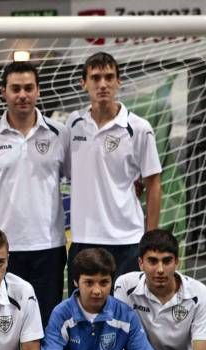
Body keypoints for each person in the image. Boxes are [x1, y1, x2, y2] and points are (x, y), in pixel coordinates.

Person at [0, 62, 67, 326]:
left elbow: (84, 179)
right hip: (1, 250)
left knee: (44, 325)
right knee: (1, 324)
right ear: (3, 92)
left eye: (28, 88)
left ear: (38, 91)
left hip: (48, 246)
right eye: (15, 88)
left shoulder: (60, 134)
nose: (22, 95)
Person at [65, 52, 162, 290]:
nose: (103, 84)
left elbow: (153, 183)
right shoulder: (72, 124)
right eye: (96, 78)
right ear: (83, 83)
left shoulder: (139, 128)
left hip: (127, 239)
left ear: (119, 81)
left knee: (126, 316)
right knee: (82, 316)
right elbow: (67, 173)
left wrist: (151, 239)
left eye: (109, 77)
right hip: (83, 240)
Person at [41, 248, 158, 350]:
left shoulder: (125, 314)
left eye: (104, 283)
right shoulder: (61, 313)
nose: (97, 291)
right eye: (89, 283)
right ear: (76, 282)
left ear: (111, 282)